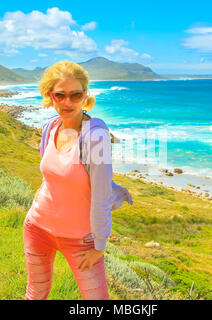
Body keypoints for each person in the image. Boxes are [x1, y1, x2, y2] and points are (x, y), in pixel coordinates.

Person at [23, 61, 133, 300]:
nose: (67, 102)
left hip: (82, 240)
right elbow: (51, 176)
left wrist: (99, 245)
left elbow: (102, 194)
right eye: (59, 95)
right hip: (37, 227)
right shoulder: (49, 127)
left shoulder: (95, 136)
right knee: (35, 293)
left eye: (76, 94)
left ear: (85, 96)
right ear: (49, 96)